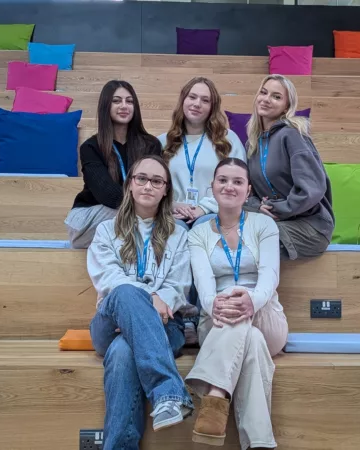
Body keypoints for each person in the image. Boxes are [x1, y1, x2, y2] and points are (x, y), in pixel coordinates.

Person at [87, 155, 194, 449]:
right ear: (130, 185)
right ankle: (169, 393)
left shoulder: (178, 235)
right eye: (142, 178)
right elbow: (108, 279)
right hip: (109, 325)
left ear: (165, 191)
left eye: (157, 181)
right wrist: (147, 301)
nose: (148, 185)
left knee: (123, 352)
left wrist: (151, 308)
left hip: (166, 325)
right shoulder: (106, 231)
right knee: (124, 292)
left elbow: (179, 286)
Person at [185, 158, 288, 449]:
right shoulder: (198, 234)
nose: (229, 186)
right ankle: (260, 443)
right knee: (250, 340)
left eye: (237, 181)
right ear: (213, 186)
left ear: (248, 190)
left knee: (244, 307)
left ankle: (216, 392)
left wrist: (251, 300)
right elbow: (204, 287)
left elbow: (270, 277)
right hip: (216, 319)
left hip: (265, 314)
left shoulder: (264, 224)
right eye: (223, 180)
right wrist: (213, 303)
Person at [244, 74, 334, 260]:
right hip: (274, 222)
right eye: (263, 92)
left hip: (310, 226)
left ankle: (257, 291)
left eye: (276, 97)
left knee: (253, 240)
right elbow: (249, 192)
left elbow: (312, 189)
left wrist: (278, 209)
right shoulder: (252, 144)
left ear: (287, 106)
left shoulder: (293, 135)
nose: (266, 99)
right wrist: (257, 207)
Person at [65, 80, 162, 248]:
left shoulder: (151, 145)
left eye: (129, 101)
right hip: (93, 215)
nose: (124, 106)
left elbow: (156, 184)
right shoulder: (91, 147)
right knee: (145, 217)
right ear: (106, 106)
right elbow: (108, 194)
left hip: (136, 214)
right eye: (116, 101)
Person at [159, 77, 246, 228]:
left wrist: (204, 208)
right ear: (183, 101)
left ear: (212, 107)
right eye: (192, 97)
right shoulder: (163, 142)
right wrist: (171, 204)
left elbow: (239, 182)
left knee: (206, 226)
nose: (197, 104)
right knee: (174, 230)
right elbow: (153, 183)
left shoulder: (228, 139)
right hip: (173, 214)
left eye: (205, 100)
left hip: (214, 212)